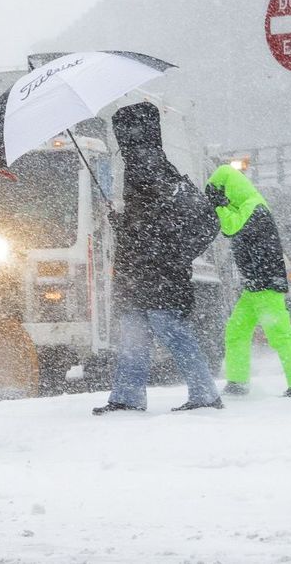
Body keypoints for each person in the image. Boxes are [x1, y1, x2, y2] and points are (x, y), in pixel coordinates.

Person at [93, 102, 223, 415]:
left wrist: (140, 232)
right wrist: (124, 222)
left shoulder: (146, 163)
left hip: (152, 272)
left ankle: (191, 394)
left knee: (160, 333)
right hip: (146, 271)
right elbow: (152, 218)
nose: (120, 137)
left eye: (122, 129)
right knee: (140, 333)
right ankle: (131, 397)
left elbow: (160, 219)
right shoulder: (150, 163)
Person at [205, 163, 291, 398]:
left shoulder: (255, 207)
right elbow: (229, 225)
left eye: (220, 193)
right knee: (236, 331)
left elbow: (231, 228)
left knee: (280, 334)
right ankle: (237, 382)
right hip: (255, 284)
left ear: (229, 189)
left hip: (265, 283)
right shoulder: (246, 206)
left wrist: (219, 205)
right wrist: (219, 206)